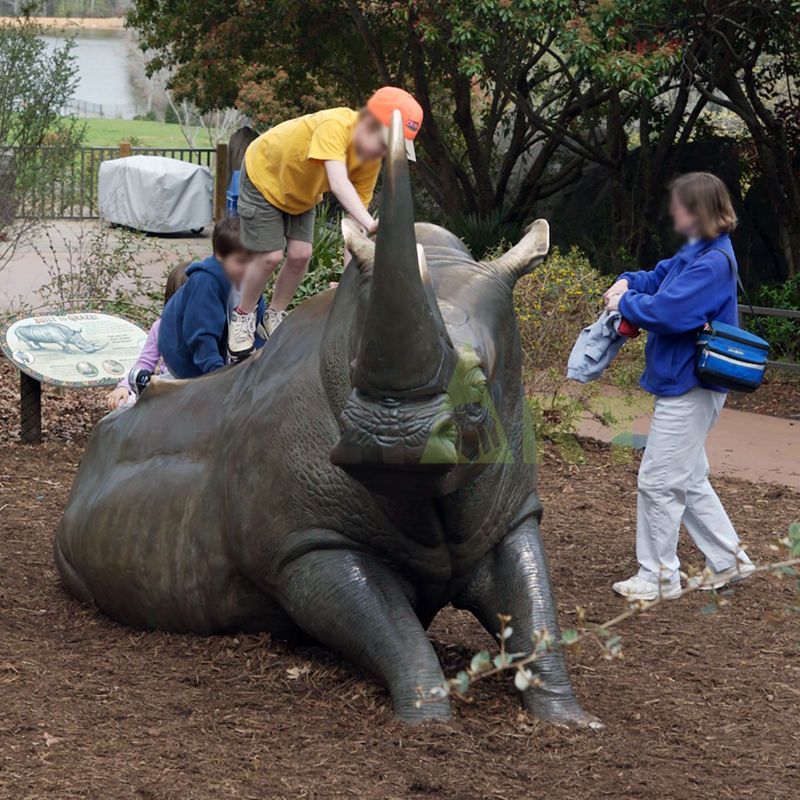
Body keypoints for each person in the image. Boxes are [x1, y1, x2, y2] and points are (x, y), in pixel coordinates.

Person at [604, 172, 754, 601]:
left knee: (658, 481)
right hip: (686, 381)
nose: (673, 212)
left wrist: (624, 303)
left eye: (680, 205)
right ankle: (729, 560)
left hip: (689, 384)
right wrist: (628, 281)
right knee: (686, 478)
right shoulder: (698, 252)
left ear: (700, 211)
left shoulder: (711, 262)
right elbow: (658, 278)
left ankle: (657, 576)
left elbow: (670, 311)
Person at [227, 86, 424, 358]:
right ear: (369, 121)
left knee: (301, 254)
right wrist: (371, 223)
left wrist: (349, 282)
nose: (383, 152)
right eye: (384, 143)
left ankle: (273, 315)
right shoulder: (336, 126)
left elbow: (353, 228)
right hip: (265, 176)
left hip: (300, 194)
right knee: (270, 256)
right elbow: (338, 183)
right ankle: (242, 316)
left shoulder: (370, 163)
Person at [159, 217, 265, 379]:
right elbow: (201, 335)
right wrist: (217, 374)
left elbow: (256, 326)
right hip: (184, 357)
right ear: (220, 257)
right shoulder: (206, 283)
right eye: (241, 261)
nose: (249, 269)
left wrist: (258, 362)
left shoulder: (248, 280)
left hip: (223, 346)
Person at [105, 263, 188, 410]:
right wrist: (124, 387)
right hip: (166, 390)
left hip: (196, 391)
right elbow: (144, 363)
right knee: (124, 404)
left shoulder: (212, 326)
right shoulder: (161, 327)